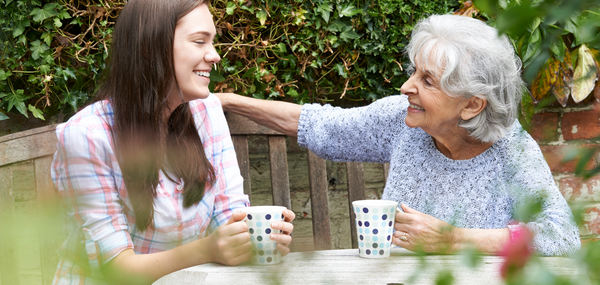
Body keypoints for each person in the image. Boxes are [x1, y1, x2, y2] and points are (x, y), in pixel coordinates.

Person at [216, 14, 581, 256]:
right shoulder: (403, 120)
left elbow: (562, 236)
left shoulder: (511, 150)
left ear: (471, 105)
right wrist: (227, 101)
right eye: (413, 72)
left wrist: (452, 239)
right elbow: (321, 125)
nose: (406, 86)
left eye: (427, 80)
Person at [51, 0, 295, 284]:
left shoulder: (205, 113)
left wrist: (254, 237)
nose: (215, 55)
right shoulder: (87, 136)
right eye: (199, 41)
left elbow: (229, 215)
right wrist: (207, 249)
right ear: (152, 47)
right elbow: (115, 267)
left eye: (213, 42)